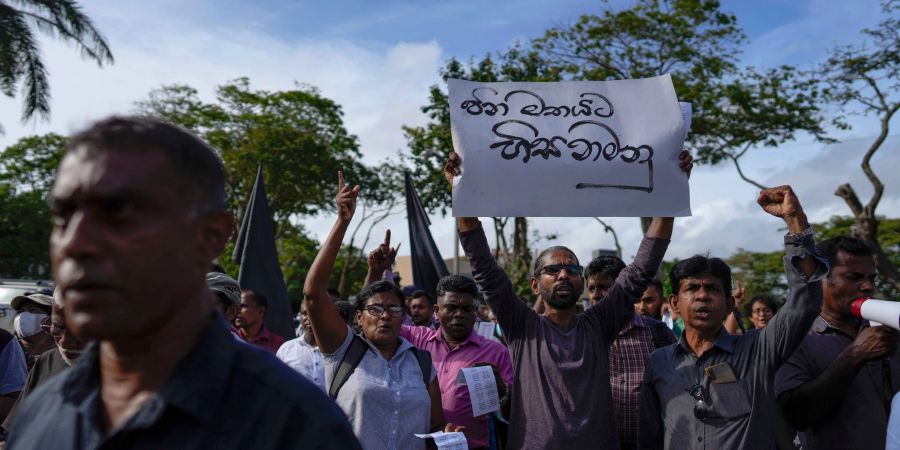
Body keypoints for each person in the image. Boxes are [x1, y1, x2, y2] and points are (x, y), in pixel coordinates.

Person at [6, 116, 358, 449]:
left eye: (118, 213)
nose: (75, 242)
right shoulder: (43, 411)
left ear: (210, 236)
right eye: (63, 215)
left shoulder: (296, 427)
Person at [445, 150, 689, 448]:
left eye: (572, 269)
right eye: (553, 269)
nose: (563, 274)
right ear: (536, 284)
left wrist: (670, 195)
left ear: (581, 282)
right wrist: (462, 193)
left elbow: (642, 268)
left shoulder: (599, 325)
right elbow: (483, 265)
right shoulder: (522, 327)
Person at [638, 185, 828, 449]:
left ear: (729, 304)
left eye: (712, 289)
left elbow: (805, 302)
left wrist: (795, 221)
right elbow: (649, 439)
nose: (702, 296)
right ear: (674, 304)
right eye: (692, 288)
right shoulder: (658, 362)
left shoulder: (759, 349)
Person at [303, 172, 460, 450]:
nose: (385, 315)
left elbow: (435, 427)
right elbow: (314, 293)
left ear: (404, 316)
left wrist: (447, 435)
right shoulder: (343, 351)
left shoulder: (422, 363)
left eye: (393, 309)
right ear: (359, 317)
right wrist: (342, 222)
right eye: (375, 309)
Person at [775, 236, 900, 450]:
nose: (868, 287)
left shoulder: (887, 329)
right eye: (854, 277)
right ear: (821, 279)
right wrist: (855, 355)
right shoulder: (794, 339)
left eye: (872, 278)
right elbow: (797, 415)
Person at [3, 292, 86, 430]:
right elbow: (14, 427)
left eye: (33, 311)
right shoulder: (46, 362)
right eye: (58, 328)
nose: (65, 340)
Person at [9, 294, 56, 369]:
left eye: (33, 310)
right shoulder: (7, 348)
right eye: (20, 311)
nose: (22, 316)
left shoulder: (64, 352)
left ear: (51, 317)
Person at [235, 289, 286, 353]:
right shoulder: (227, 340)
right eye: (235, 306)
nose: (237, 310)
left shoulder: (279, 344)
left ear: (261, 311)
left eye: (243, 306)